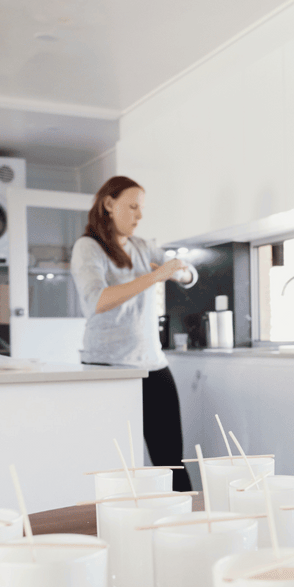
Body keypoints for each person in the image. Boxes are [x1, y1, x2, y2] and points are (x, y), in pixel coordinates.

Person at [70, 176, 192, 492]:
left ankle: (188, 529)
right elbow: (97, 300)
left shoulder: (142, 246)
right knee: (114, 466)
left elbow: (184, 270)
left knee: (172, 464)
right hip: (108, 370)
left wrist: (181, 272)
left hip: (152, 365)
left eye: (141, 208)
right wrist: (154, 277)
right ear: (109, 204)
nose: (139, 215)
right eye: (132, 206)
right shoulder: (88, 248)